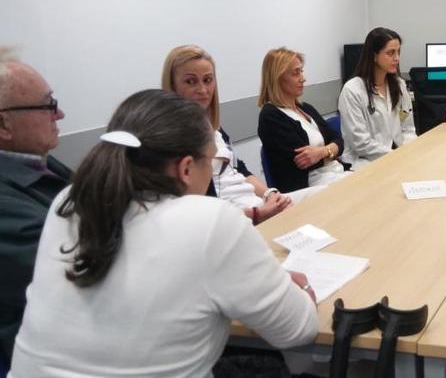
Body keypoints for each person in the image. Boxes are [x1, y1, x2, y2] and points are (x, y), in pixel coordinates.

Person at [10, 89, 318, 377]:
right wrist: (297, 292)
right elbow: (298, 330)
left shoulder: (69, 202)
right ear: (186, 169)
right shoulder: (212, 221)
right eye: (210, 161)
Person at [162, 45, 301, 225]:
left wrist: (270, 194)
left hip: (255, 204)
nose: (203, 90)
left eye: (208, 80)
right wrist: (258, 213)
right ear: (172, 85)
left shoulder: (214, 128)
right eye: (191, 82)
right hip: (234, 219)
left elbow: (240, 170)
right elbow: (202, 211)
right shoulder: (172, 140)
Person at [0, 58, 71, 365]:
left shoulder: (37, 162)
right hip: (56, 357)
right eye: (47, 106)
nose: (60, 114)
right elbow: (77, 272)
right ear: (3, 124)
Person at [258, 48, 350, 193]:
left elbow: (339, 139)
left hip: (335, 174)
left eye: (301, 71)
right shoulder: (271, 116)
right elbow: (304, 162)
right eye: (296, 73)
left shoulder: (305, 108)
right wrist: (331, 150)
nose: (303, 78)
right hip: (309, 188)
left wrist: (322, 152)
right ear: (278, 78)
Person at [338, 27, 416, 170]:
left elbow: (408, 128)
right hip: (365, 163)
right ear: (374, 55)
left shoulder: (399, 85)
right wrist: (395, 156)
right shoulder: (353, 90)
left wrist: (408, 153)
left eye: (398, 52)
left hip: (398, 157)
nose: (397, 58)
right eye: (390, 53)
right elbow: (360, 142)